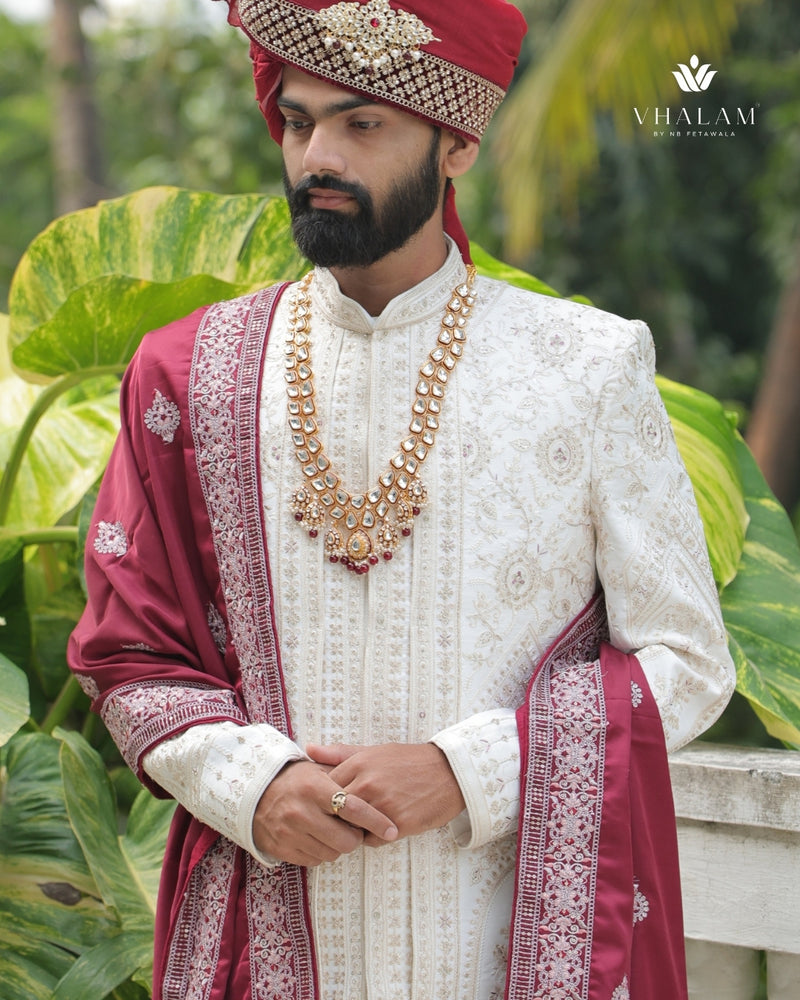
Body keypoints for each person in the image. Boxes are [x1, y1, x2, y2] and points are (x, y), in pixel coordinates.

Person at [68, 1, 736, 998]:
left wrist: (466, 770)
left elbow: (686, 658)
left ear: (456, 144)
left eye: (362, 123)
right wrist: (252, 785)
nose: (317, 157)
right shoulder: (188, 374)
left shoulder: (584, 367)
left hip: (498, 941)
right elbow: (128, 651)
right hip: (269, 935)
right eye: (297, 122)